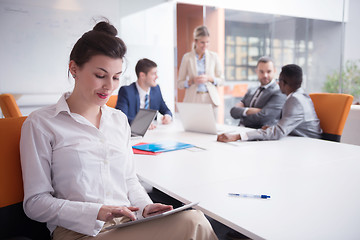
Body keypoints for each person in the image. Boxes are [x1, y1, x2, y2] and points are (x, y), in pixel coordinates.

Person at [20, 21, 218, 240]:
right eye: (100, 75)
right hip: (79, 233)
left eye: (116, 77)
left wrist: (145, 207)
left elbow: (129, 180)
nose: (109, 86)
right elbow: (35, 203)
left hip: (127, 224)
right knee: (194, 224)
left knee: (194, 219)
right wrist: (97, 211)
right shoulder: (41, 123)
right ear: (74, 68)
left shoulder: (118, 120)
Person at [217, 64, 322, 142]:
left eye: (278, 80)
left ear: (284, 83)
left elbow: (277, 133)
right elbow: (286, 125)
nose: (277, 83)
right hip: (297, 140)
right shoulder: (298, 95)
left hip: (309, 144)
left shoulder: (295, 101)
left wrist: (238, 136)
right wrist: (274, 128)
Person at [177, 25, 224, 116]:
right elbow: (180, 83)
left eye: (207, 42)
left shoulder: (214, 56)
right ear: (195, 41)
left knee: (210, 129)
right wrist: (192, 81)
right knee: (192, 128)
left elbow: (222, 80)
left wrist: (209, 78)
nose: (205, 45)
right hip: (192, 99)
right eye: (202, 42)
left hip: (210, 99)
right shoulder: (187, 57)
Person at [230, 56, 286, 129]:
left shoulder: (279, 92)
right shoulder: (251, 90)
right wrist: (250, 111)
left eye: (269, 71)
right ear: (256, 71)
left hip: (258, 134)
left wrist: (242, 114)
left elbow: (263, 118)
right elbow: (233, 111)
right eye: (261, 72)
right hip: (240, 130)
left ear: (274, 71)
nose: (265, 75)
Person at [116, 58, 172, 127]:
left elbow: (166, 110)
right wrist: (142, 124)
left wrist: (167, 116)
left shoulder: (156, 89)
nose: (157, 77)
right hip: (133, 135)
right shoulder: (126, 91)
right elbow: (120, 118)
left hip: (153, 133)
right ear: (142, 75)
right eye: (154, 74)